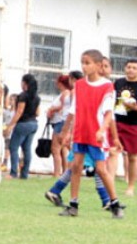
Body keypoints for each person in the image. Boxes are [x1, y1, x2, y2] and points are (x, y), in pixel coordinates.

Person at [53, 50, 124, 218]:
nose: (84, 66)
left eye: (88, 63)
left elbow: (108, 113)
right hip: (80, 132)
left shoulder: (107, 86)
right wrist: (65, 132)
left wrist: (102, 130)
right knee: (76, 167)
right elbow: (73, 109)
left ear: (98, 66)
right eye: (82, 63)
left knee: (101, 169)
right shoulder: (79, 85)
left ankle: (114, 203)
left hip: (96, 134)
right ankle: (73, 204)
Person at [4, 74, 41, 179]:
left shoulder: (23, 96)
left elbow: (19, 111)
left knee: (13, 147)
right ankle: (24, 174)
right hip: (33, 124)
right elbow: (38, 113)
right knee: (27, 149)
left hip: (23, 124)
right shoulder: (37, 97)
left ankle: (13, 172)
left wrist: (10, 125)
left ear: (24, 83)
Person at [114, 59, 137, 197]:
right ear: (124, 68)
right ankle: (109, 182)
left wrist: (133, 107)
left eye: (134, 68)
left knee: (132, 157)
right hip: (116, 122)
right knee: (111, 153)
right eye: (129, 67)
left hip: (133, 125)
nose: (131, 70)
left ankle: (130, 186)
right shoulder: (119, 83)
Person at [45, 74, 74, 178]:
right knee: (63, 149)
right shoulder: (68, 93)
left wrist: (51, 110)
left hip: (60, 121)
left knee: (55, 149)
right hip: (61, 121)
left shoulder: (65, 94)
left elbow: (61, 107)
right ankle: (65, 171)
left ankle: (57, 172)